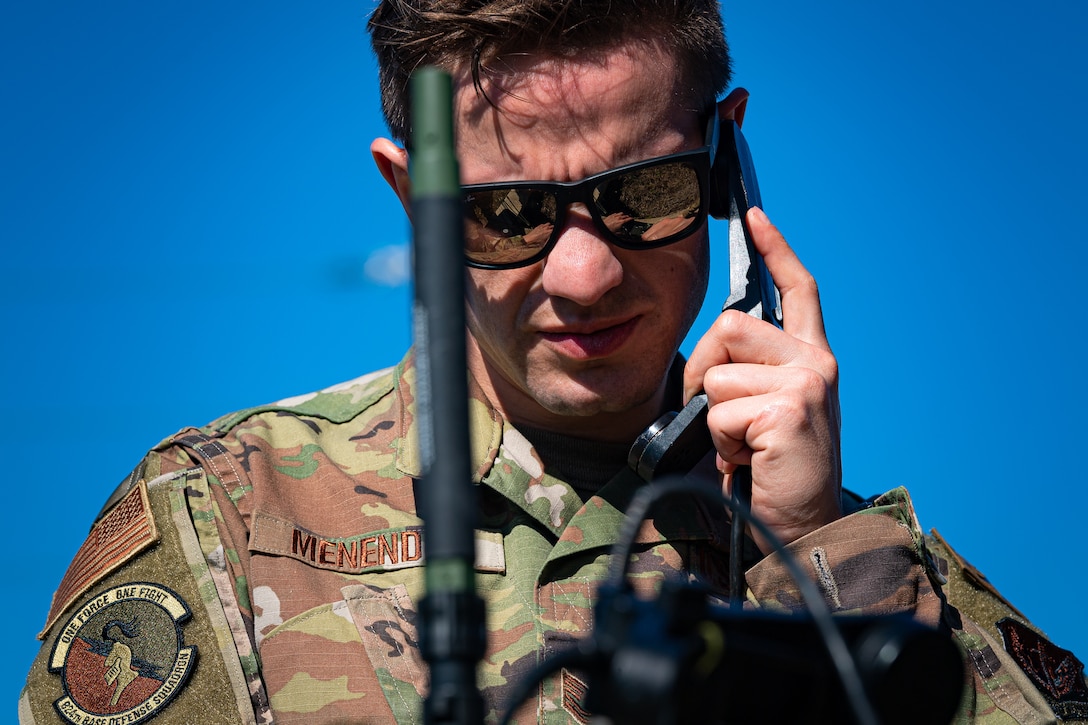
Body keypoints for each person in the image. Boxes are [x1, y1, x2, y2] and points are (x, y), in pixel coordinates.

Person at [20, 1, 1088, 723]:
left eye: (645, 193)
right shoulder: (231, 513)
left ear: (726, 161)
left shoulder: (850, 562)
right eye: (506, 213)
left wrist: (819, 546)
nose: (580, 274)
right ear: (414, 201)